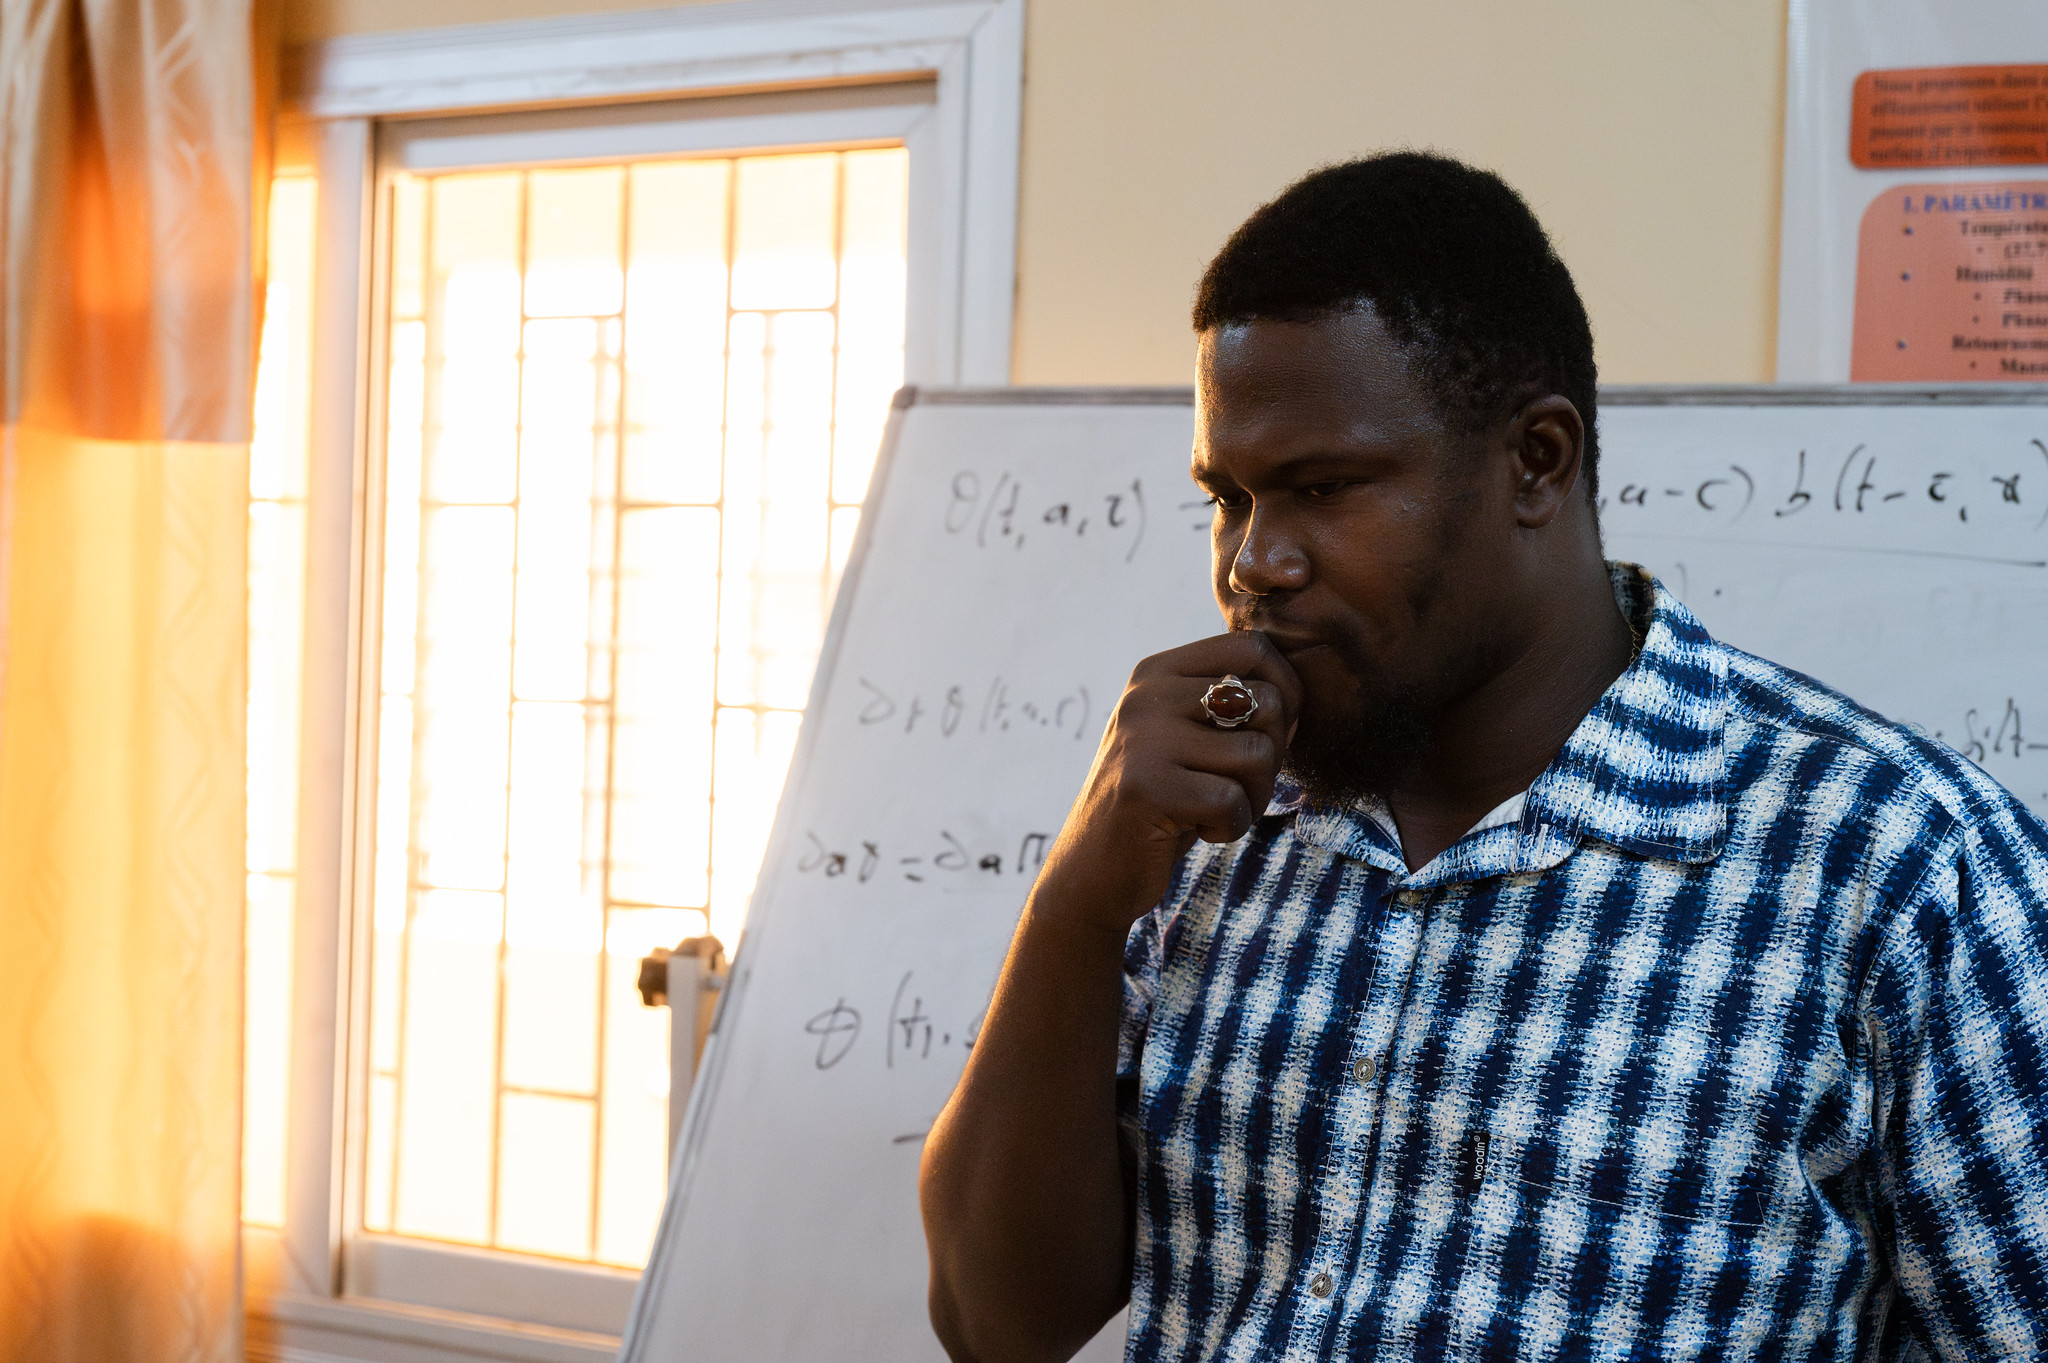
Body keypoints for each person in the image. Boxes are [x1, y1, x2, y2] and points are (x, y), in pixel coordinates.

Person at [917, 151, 2048, 1362]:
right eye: (1230, 497)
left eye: (1321, 487)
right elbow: (997, 1327)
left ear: (1535, 462)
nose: (1255, 560)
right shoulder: (1205, 831)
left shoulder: (1895, 863)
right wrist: (1079, 901)